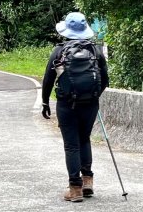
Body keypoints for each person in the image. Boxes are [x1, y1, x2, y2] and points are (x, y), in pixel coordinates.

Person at [41, 12, 109, 202]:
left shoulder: (59, 51)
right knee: (84, 139)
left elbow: (48, 79)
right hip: (90, 104)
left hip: (66, 104)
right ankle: (88, 182)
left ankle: (75, 189)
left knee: (71, 145)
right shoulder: (95, 51)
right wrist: (93, 96)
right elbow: (105, 80)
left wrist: (45, 102)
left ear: (67, 31)